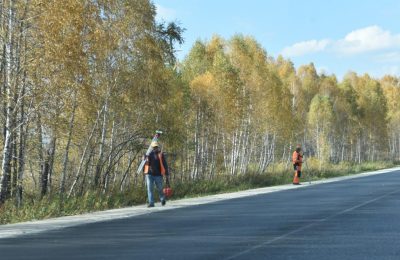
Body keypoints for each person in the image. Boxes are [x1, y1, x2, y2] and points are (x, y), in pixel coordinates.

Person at [144, 141, 169, 207]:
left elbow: (165, 164)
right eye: (154, 147)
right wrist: (144, 158)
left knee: (160, 188)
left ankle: (162, 199)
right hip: (150, 175)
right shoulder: (149, 155)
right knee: (150, 189)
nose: (155, 148)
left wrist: (167, 174)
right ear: (152, 148)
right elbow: (147, 163)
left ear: (158, 147)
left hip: (158, 175)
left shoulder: (161, 155)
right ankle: (151, 203)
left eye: (156, 147)